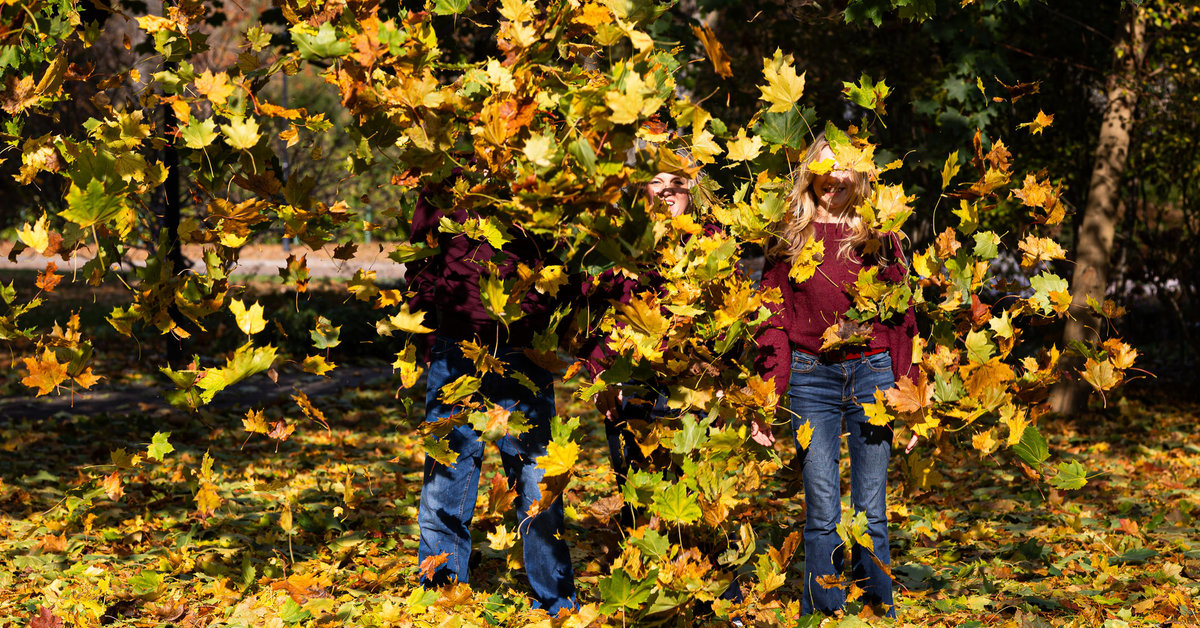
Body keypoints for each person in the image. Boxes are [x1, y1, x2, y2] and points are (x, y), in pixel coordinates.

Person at [756, 131, 918, 617]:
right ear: (809, 174)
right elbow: (771, 320)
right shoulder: (788, 236)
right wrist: (767, 397)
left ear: (861, 174)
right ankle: (824, 610)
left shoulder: (880, 233)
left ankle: (875, 605)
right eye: (826, 169)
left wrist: (909, 394)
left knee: (871, 506)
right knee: (823, 508)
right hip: (810, 378)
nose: (835, 178)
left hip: (873, 374)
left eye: (845, 167)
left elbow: (901, 318)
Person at [407, 175, 577, 615]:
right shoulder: (444, 177)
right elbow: (423, 264)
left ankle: (556, 602)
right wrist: (428, 338)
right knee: (444, 484)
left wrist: (548, 330)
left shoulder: (540, 173)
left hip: (524, 354)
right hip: (456, 350)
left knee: (538, 481)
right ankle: (443, 599)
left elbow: (565, 264)